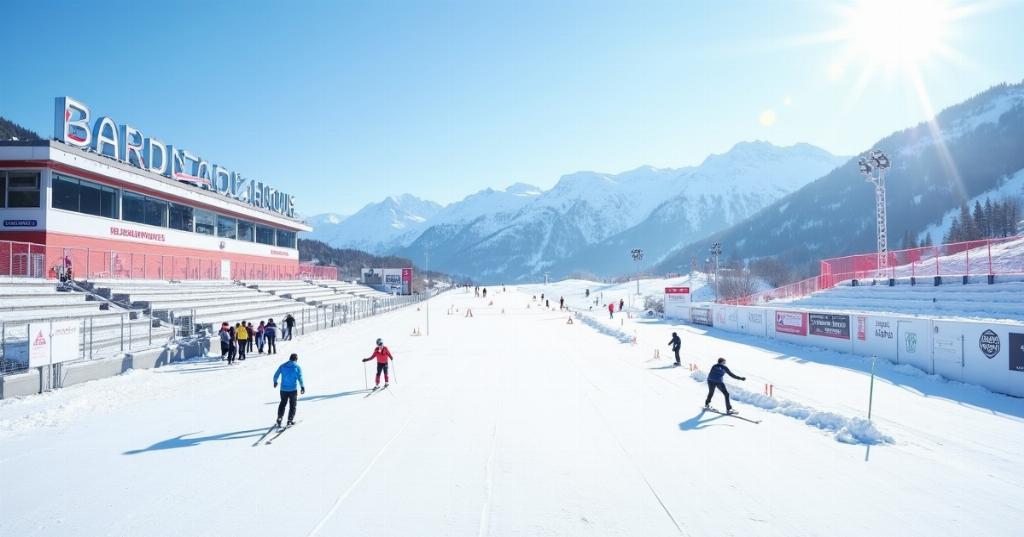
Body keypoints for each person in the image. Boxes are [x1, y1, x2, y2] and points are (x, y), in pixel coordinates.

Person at [273, 353, 305, 428]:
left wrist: (275, 382)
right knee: (293, 405)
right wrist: (302, 387)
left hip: (283, 389)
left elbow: (276, 374)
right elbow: (300, 378)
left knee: (283, 403)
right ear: (296, 359)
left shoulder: (283, 366)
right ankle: (290, 420)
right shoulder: (297, 367)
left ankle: (279, 418)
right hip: (292, 390)